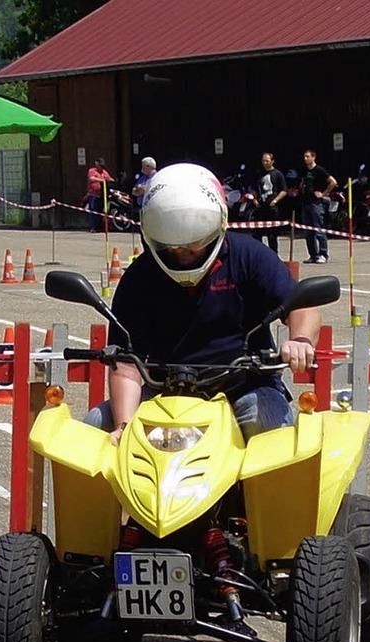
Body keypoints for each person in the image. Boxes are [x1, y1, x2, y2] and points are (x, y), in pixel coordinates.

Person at [84, 162, 321, 444]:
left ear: (217, 223)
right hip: (162, 391)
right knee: (95, 426)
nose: (183, 252)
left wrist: (301, 339)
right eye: (172, 245)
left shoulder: (250, 257)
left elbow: (300, 305)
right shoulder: (138, 277)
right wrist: (123, 425)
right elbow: (125, 362)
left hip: (243, 386)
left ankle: (275, 490)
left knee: (269, 423)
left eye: (195, 243)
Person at [301, 149, 337, 264]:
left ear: (313, 157)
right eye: (304, 157)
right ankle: (313, 255)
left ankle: (323, 254)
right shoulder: (305, 170)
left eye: (308, 157)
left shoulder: (319, 170)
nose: (306, 159)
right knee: (308, 231)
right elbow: (303, 182)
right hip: (305, 202)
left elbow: (333, 182)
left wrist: (323, 193)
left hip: (316, 203)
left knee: (319, 229)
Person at [251, 152, 287, 255]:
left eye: (267, 161)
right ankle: (259, 254)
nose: (265, 163)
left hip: (272, 208)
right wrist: (255, 199)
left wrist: (275, 200)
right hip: (260, 207)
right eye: (263, 161)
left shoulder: (278, 174)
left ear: (272, 161)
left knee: (272, 235)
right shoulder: (259, 173)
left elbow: (284, 190)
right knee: (257, 233)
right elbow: (254, 189)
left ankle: (273, 255)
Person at [85, 157, 114, 232]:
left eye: (102, 166)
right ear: (96, 164)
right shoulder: (92, 171)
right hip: (93, 194)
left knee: (100, 210)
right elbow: (91, 178)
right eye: (100, 165)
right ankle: (93, 227)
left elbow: (109, 178)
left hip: (102, 194)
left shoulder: (104, 172)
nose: (101, 167)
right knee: (93, 210)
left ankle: (99, 226)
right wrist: (102, 180)